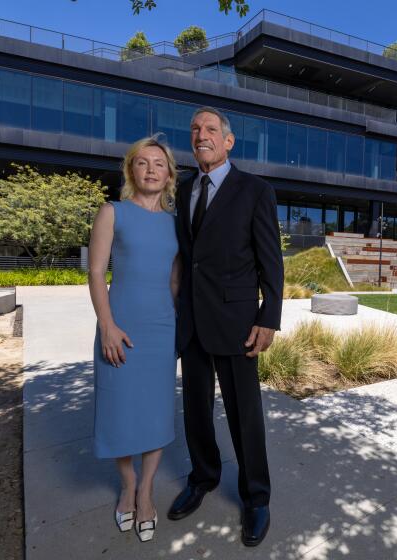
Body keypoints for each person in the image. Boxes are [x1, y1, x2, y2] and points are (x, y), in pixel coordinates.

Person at [168, 107, 283, 547]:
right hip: (192, 320)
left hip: (237, 322)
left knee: (244, 415)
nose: (202, 135)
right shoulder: (183, 190)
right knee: (195, 407)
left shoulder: (255, 190)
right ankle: (203, 477)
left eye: (211, 129)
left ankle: (256, 497)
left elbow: (270, 259)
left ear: (228, 141)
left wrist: (268, 317)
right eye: (195, 129)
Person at [88, 136, 181, 543]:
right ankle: (127, 485)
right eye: (142, 163)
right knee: (121, 409)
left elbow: (176, 277)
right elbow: (95, 273)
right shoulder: (112, 212)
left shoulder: (176, 222)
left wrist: (175, 319)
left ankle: (146, 491)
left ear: (169, 174)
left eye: (158, 164)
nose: (150, 170)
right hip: (120, 326)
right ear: (131, 171)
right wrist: (106, 324)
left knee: (156, 411)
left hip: (162, 328)